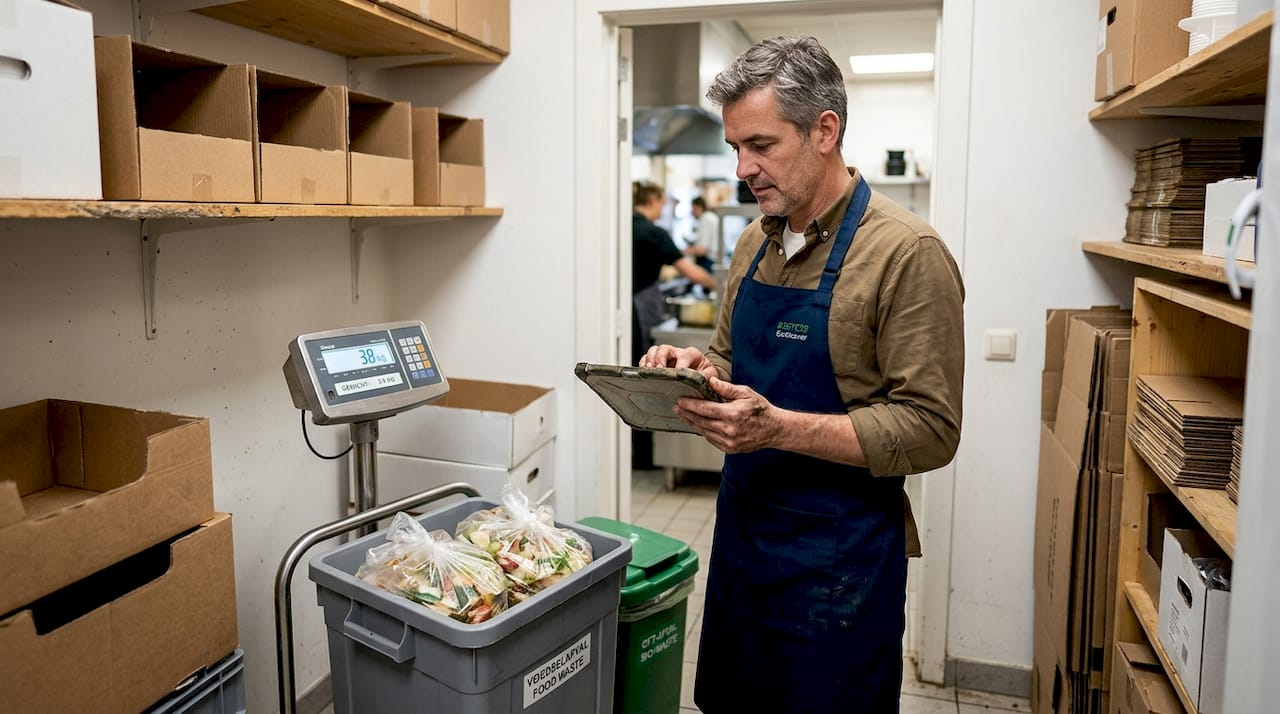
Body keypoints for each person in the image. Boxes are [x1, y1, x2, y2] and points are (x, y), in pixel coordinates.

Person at [638, 36, 964, 712]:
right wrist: (697, 371)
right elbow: (729, 359)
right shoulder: (756, 241)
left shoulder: (906, 255)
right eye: (735, 149)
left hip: (838, 573)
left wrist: (778, 427)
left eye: (761, 145)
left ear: (824, 130)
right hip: (743, 546)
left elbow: (932, 430)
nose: (744, 168)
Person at [631, 180, 716, 469]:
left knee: (633, 378)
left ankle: (635, 455)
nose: (664, 208)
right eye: (664, 202)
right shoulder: (654, 233)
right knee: (648, 379)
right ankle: (644, 456)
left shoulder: (623, 225)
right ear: (654, 199)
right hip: (641, 313)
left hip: (626, 312)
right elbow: (695, 274)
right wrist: (725, 284)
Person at [684, 196, 721, 272]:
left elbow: (703, 249)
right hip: (715, 259)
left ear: (699, 207)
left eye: (693, 209)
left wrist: (682, 252)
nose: (692, 212)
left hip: (709, 261)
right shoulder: (710, 217)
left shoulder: (705, 219)